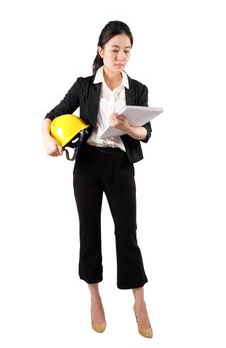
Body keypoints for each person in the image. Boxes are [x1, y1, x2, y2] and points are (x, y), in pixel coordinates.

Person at [41, 20, 153, 338]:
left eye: (127, 51)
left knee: (127, 233)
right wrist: (48, 140)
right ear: (101, 50)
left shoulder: (138, 89)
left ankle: (140, 302)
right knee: (89, 232)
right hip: (87, 165)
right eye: (115, 50)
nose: (121, 57)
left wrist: (129, 128)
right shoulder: (84, 86)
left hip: (120, 165)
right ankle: (94, 297)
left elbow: (146, 133)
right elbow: (50, 116)